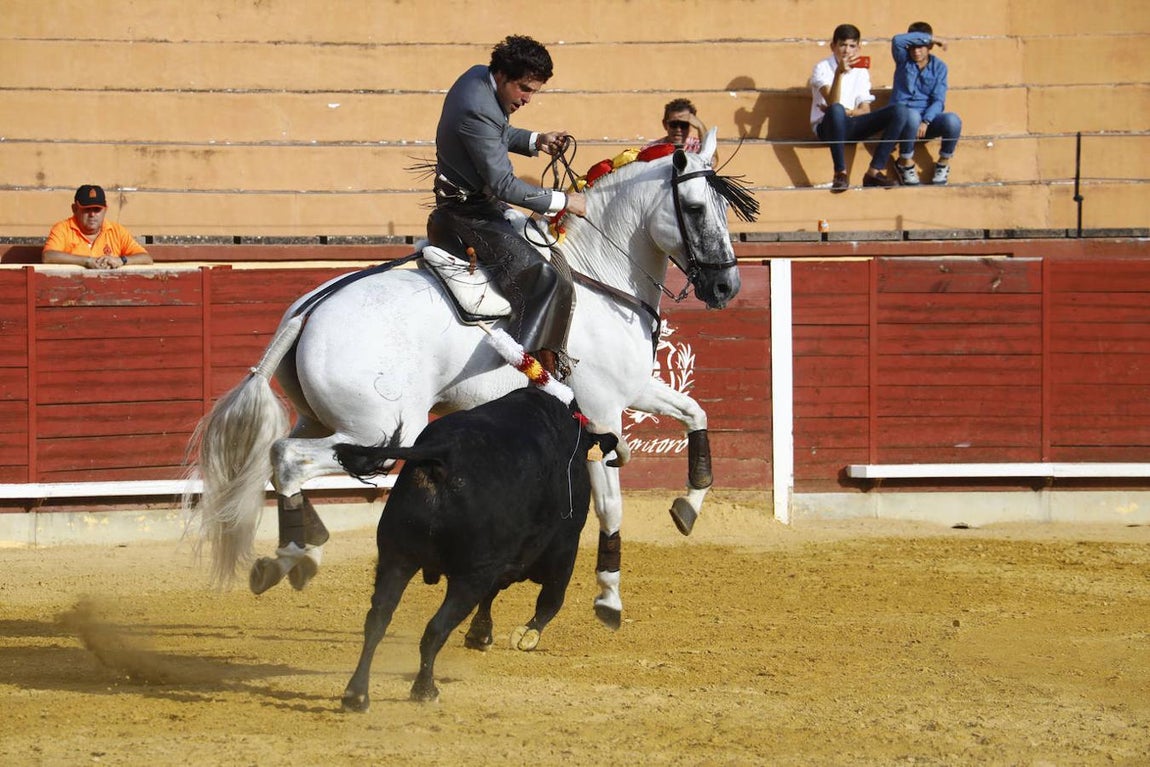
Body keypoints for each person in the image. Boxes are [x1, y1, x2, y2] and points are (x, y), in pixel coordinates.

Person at [428, 35, 586, 378]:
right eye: (524, 89)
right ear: (501, 76)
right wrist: (565, 201)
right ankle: (524, 378)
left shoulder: (477, 77)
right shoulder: (478, 108)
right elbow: (503, 185)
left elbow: (495, 132)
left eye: (533, 91)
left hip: (474, 205)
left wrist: (535, 140)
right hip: (469, 216)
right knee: (546, 281)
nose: (528, 99)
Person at [809, 23, 911, 192]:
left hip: (851, 123)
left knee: (900, 111)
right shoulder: (822, 67)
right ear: (833, 46)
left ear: (858, 48)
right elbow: (833, 102)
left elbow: (865, 110)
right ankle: (840, 173)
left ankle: (874, 171)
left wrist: (847, 112)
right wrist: (838, 74)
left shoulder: (861, 70)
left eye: (851, 46)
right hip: (827, 127)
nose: (847, 51)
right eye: (842, 45)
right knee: (836, 111)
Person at [890, 21, 962, 186]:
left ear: (929, 46)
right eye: (913, 46)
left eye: (921, 46)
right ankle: (904, 162)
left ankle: (943, 164)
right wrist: (933, 38)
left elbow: (938, 100)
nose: (916, 51)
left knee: (953, 120)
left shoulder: (940, 67)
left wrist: (926, 120)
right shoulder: (902, 60)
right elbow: (897, 41)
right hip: (901, 121)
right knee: (912, 115)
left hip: (925, 124)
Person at [42, 185, 151, 268]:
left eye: (97, 209)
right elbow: (48, 256)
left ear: (105, 210)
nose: (92, 214)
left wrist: (121, 260)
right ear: (75, 209)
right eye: (86, 209)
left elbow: (146, 258)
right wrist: (87, 261)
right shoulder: (63, 229)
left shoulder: (117, 231)